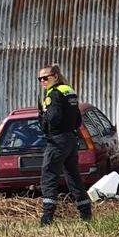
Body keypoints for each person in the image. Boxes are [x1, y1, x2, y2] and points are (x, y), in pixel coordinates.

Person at [36, 64, 92, 224]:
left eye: (45, 78)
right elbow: (78, 119)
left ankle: (47, 218)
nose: (42, 81)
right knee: (73, 177)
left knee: (48, 176)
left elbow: (53, 118)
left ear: (55, 76)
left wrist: (43, 116)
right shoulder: (68, 90)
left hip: (57, 140)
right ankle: (86, 213)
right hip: (71, 139)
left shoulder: (52, 95)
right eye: (40, 79)